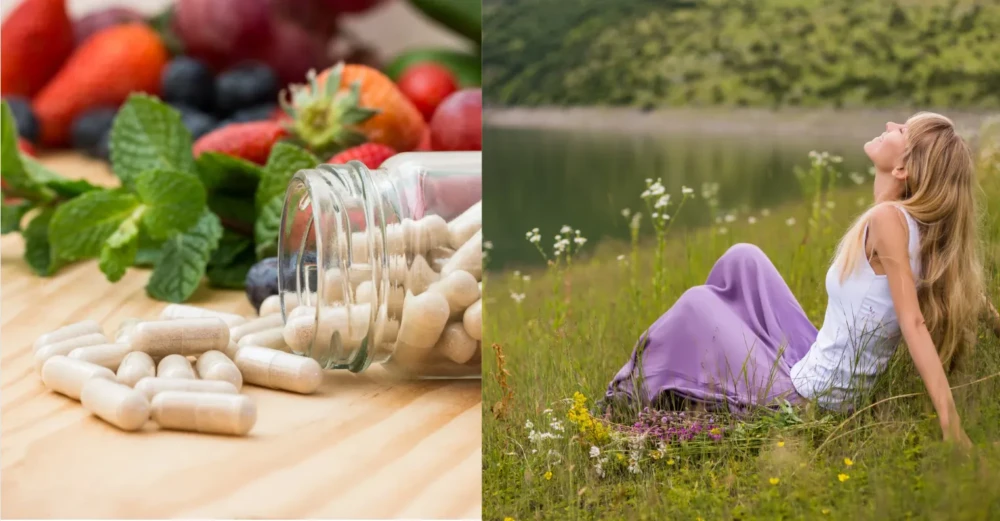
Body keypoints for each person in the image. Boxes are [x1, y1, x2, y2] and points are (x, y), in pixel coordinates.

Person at [605, 112, 982, 446]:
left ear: (903, 169)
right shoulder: (915, 226)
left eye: (901, 128)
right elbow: (972, 295)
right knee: (744, 258)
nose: (888, 125)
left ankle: (622, 399)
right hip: (811, 361)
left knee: (696, 304)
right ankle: (699, 380)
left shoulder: (888, 220)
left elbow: (913, 322)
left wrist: (952, 426)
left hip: (808, 399)